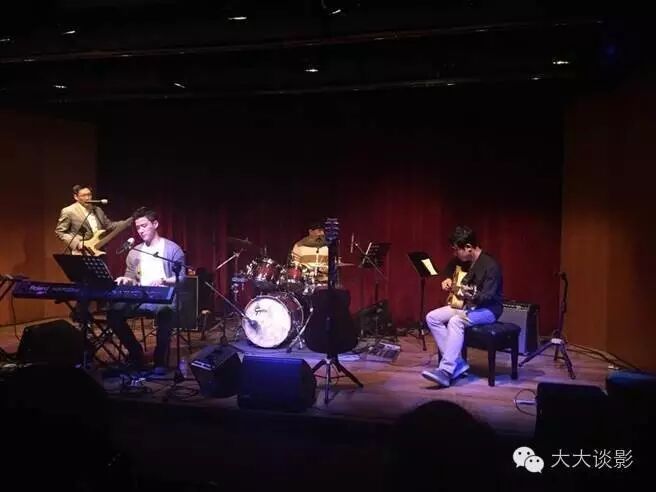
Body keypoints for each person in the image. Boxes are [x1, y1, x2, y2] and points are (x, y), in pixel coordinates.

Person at [421, 226, 503, 388]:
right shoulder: (467, 260)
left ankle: (446, 370)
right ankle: (458, 363)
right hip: (469, 306)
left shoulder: (491, 266)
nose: (454, 254)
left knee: (456, 321)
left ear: (468, 247)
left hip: (489, 310)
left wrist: (467, 294)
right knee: (432, 317)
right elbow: (450, 268)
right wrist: (447, 279)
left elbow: (487, 297)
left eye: (456, 250)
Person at [108, 207, 185, 374]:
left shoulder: (172, 249)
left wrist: (164, 280)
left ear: (155, 224)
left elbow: (181, 278)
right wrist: (126, 280)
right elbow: (131, 277)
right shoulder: (134, 252)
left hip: (164, 295)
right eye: (138, 227)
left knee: (165, 312)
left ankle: (159, 361)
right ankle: (136, 353)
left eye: (144, 226)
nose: (141, 231)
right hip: (141, 295)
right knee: (114, 313)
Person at [55, 184, 125, 253]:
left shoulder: (97, 210)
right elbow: (60, 232)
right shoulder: (69, 211)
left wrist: (127, 222)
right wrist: (76, 243)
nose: (87, 198)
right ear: (76, 197)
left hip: (99, 248)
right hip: (81, 251)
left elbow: (109, 226)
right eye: (83, 195)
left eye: (89, 195)